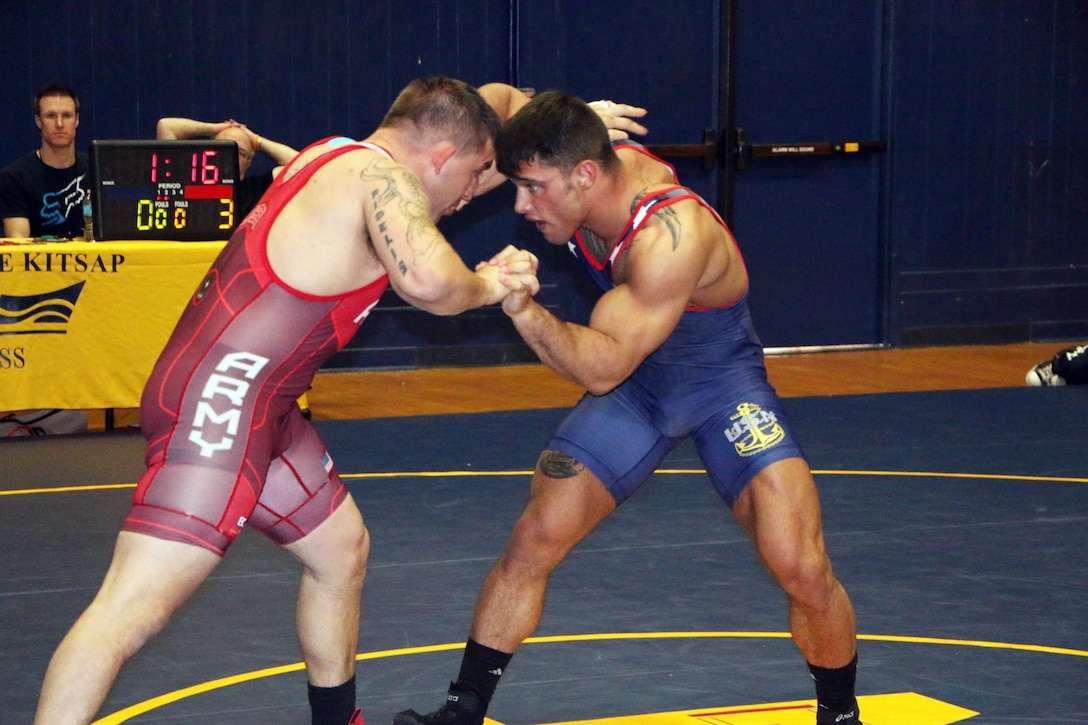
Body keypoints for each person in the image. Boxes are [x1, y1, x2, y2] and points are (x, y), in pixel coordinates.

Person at [32, 76, 543, 725]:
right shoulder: (378, 180)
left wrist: (558, 121)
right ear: (441, 154)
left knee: (340, 549)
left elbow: (486, 108)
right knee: (129, 609)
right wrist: (488, 283)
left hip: (260, 402)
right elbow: (431, 281)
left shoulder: (334, 153)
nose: (472, 193)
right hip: (222, 404)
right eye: (473, 175)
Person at [394, 91, 861, 725]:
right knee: (535, 538)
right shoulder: (584, 159)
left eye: (532, 188)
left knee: (800, 562)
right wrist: (571, 107)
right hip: (640, 385)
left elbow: (603, 364)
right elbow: (497, 102)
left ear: (586, 174)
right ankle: (463, 710)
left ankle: (839, 713)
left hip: (717, 384)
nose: (520, 205)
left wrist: (523, 309)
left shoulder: (672, 235)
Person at [156, 116, 299, 218]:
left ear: (249, 161)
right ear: (211, 152)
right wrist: (213, 129)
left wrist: (257, 141)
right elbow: (166, 127)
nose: (231, 155)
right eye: (225, 147)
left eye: (240, 152)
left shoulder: (257, 189)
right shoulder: (185, 183)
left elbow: (304, 164)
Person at [0, 83, 90, 239]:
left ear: (76, 120)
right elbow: (18, 245)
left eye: (66, 116)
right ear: (38, 121)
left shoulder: (97, 170)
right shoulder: (15, 178)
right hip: (39, 263)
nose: (59, 124)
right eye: (51, 116)